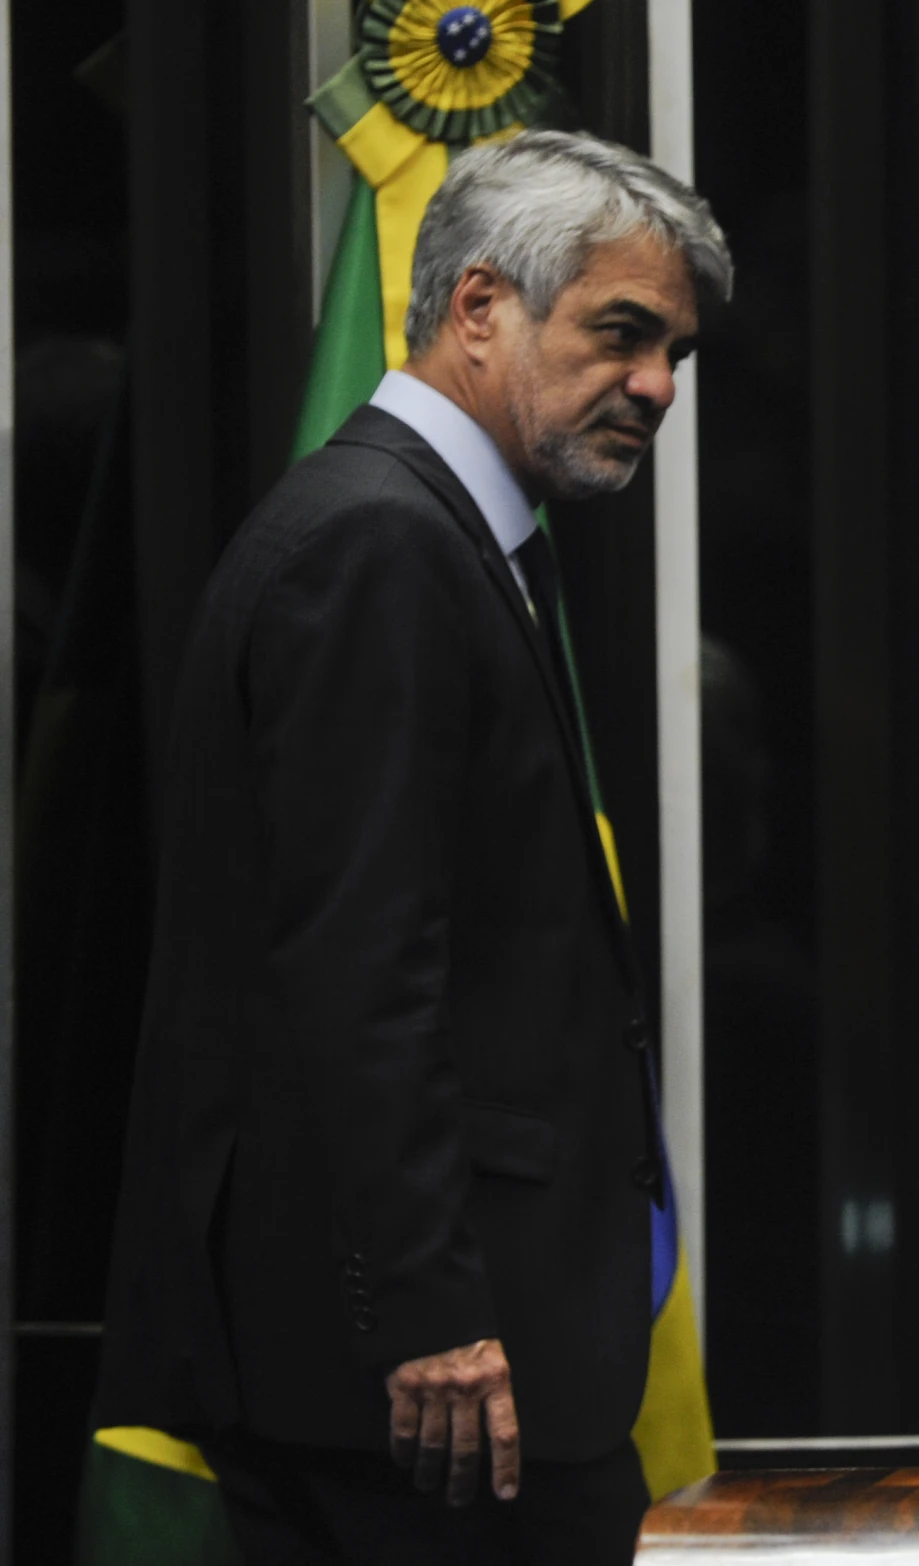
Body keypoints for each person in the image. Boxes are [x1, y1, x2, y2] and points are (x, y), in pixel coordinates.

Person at [94, 131, 731, 1562]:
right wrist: (434, 1313)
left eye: (676, 351)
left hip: (439, 1365)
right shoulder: (379, 542)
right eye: (622, 333)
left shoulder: (423, 527)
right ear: (480, 307)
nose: (658, 387)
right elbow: (361, 966)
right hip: (425, 1380)